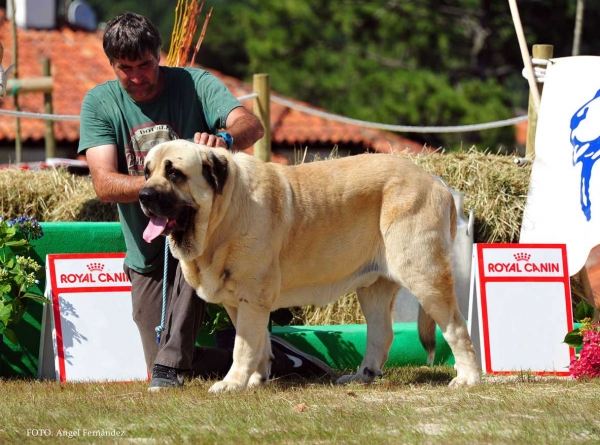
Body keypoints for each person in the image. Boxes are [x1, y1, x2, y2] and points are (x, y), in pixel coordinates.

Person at [78, 12, 336, 391]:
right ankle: (274, 357)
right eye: (125, 68)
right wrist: (161, 187)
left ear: (159, 54)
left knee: (169, 359)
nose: (137, 76)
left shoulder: (196, 83)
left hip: (203, 235)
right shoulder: (99, 103)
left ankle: (182, 367)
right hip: (147, 246)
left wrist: (225, 140)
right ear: (112, 65)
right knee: (164, 356)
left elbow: (252, 125)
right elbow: (104, 183)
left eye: (145, 65)